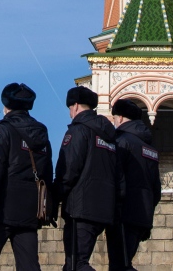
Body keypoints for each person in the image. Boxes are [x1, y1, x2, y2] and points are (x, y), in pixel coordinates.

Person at [0, 82, 54, 271]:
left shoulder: (1, 130)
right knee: (29, 265)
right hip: (29, 210)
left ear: (6, 106)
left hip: (1, 209)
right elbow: (47, 173)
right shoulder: (41, 133)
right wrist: (46, 208)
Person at [54, 87, 120, 271]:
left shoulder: (78, 131)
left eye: (69, 108)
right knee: (72, 265)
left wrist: (56, 196)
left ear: (75, 106)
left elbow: (68, 169)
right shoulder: (109, 134)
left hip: (80, 208)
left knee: (77, 263)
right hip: (104, 208)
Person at [105, 99, 161, 271]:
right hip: (142, 215)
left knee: (119, 264)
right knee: (125, 260)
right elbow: (156, 189)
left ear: (120, 118)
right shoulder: (149, 148)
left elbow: (114, 177)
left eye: (114, 118)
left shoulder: (121, 142)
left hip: (123, 213)